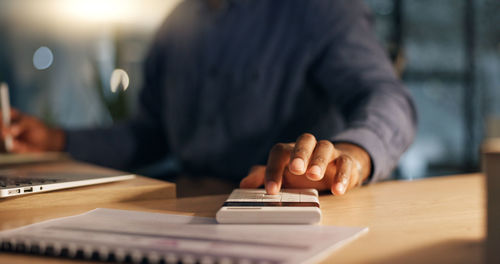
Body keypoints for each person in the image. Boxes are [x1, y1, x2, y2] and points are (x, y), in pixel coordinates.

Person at [0, 0, 416, 196]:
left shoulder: (319, 10)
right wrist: (59, 142)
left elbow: (386, 97)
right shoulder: (176, 23)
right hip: (184, 208)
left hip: (288, 211)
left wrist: (352, 154)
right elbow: (151, 133)